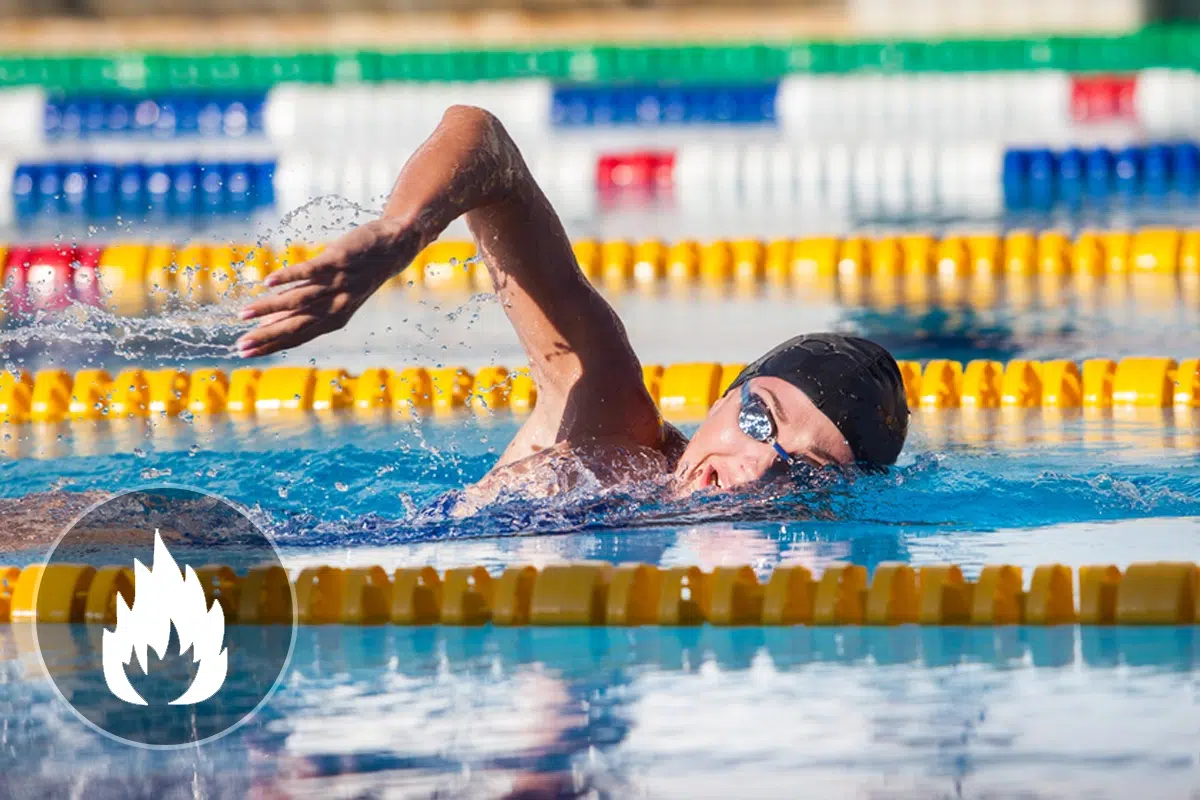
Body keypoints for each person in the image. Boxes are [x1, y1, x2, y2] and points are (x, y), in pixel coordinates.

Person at [236, 106, 908, 510]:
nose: (761, 467)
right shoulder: (610, 423)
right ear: (723, 400)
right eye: (763, 421)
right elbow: (486, 144)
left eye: (809, 472)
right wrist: (401, 232)